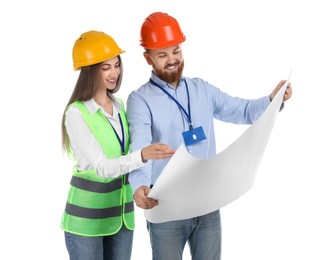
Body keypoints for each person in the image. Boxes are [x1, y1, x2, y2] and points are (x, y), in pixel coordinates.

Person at [126, 12, 293, 260]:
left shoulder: (201, 89)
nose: (172, 60)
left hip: (207, 202)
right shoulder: (140, 100)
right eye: (162, 55)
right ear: (147, 58)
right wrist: (139, 185)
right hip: (166, 207)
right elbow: (139, 147)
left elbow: (243, 110)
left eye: (176, 51)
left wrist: (272, 99)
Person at [60, 30, 174, 260]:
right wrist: (143, 154)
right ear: (90, 71)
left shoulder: (120, 105)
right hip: (87, 222)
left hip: (121, 218)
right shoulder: (76, 113)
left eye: (116, 65)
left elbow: (130, 154)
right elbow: (104, 167)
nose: (115, 73)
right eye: (106, 68)